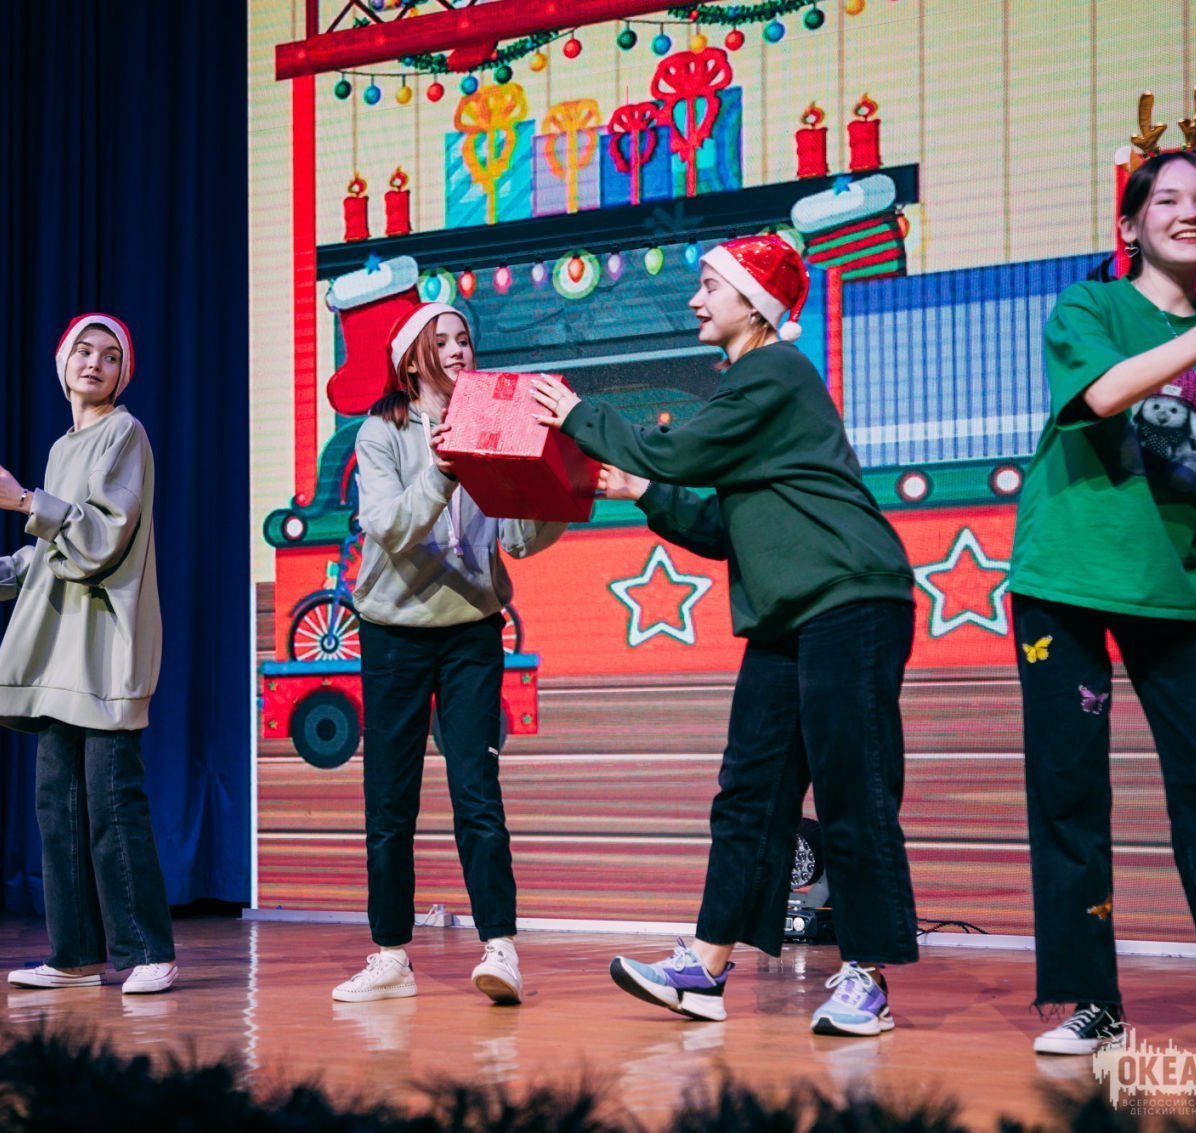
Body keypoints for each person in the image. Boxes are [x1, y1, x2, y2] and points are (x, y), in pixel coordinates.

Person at [530, 235, 919, 1036]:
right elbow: (722, 526)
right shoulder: (751, 387)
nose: (695, 300)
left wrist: (578, 414)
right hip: (787, 613)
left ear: (755, 303)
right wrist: (645, 491)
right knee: (750, 788)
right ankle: (704, 967)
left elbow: (682, 450)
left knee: (853, 784)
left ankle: (867, 977)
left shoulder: (774, 372)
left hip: (849, 596)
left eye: (710, 286)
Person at [1007, 150, 1196, 1054]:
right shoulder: (1091, 307)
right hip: (1066, 578)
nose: (1191, 211)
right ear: (1131, 227)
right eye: (1168, 200)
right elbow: (1109, 390)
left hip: (1171, 587)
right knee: (1070, 792)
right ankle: (1092, 998)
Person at [0, 313, 176, 995]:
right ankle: (75, 954)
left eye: (110, 355)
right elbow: (55, 546)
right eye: (84, 351)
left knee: (112, 803)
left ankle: (148, 950)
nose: (95, 362)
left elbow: (102, 539)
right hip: (60, 652)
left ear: (123, 373)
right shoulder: (65, 447)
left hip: (105, 647)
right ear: (63, 364)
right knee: (58, 808)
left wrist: (28, 501)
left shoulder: (125, 433)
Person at [330, 303, 564, 1006]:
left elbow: (518, 538)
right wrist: (441, 469)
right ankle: (390, 956)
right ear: (410, 359)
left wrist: (556, 486)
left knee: (476, 790)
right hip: (393, 630)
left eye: (465, 338)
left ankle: (501, 946)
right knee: (390, 800)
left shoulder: (496, 418)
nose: (460, 348)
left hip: (471, 630)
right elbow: (389, 527)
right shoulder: (381, 432)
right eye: (443, 341)